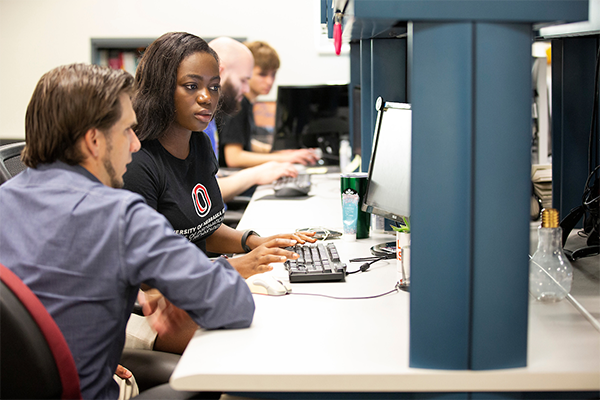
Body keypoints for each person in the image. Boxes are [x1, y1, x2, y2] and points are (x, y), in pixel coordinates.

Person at [0, 63, 271, 400]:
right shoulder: (120, 215)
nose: (134, 145)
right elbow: (233, 305)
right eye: (128, 130)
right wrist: (184, 286)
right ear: (94, 141)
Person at [121, 32, 315, 353]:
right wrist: (235, 267)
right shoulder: (139, 162)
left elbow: (202, 229)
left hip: (192, 288)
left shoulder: (198, 143)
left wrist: (255, 242)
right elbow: (144, 276)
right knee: (254, 347)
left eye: (213, 86)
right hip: (148, 307)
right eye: (191, 86)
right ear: (161, 88)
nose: (206, 97)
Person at [209, 37, 320, 169]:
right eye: (262, 74)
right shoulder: (237, 103)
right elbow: (234, 157)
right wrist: (283, 158)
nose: (269, 82)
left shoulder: (247, 103)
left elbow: (240, 140)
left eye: (273, 75)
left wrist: (276, 151)